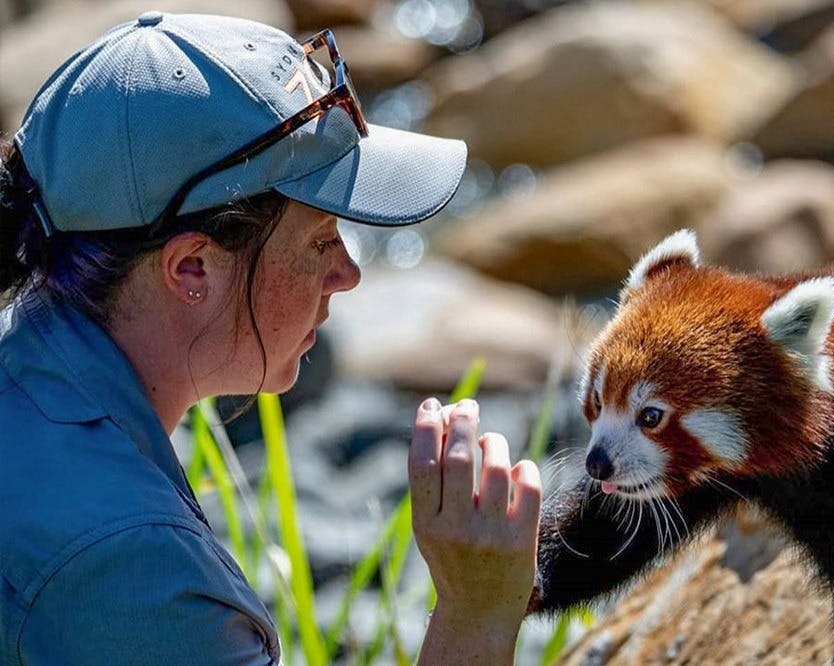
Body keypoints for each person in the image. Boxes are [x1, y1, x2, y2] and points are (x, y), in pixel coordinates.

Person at [0, 12, 541, 665]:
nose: (348, 273)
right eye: (321, 239)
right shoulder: (136, 571)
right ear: (192, 268)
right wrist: (476, 612)